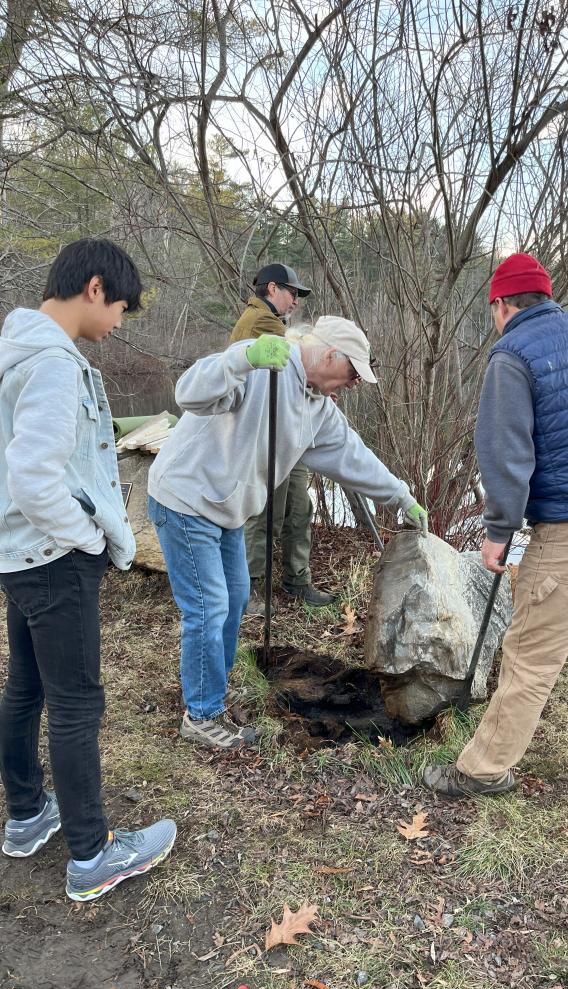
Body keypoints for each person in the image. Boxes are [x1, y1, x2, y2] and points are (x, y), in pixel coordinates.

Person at [423, 253, 568, 805]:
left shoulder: (512, 355)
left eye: (493, 309)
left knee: (532, 651)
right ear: (547, 297)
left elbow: (506, 454)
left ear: (501, 305)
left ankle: (483, 769)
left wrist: (498, 532)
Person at [147, 315, 428, 750]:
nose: (354, 384)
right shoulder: (263, 370)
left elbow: (353, 456)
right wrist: (243, 357)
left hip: (227, 510)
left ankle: (212, 695)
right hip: (186, 497)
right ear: (330, 353)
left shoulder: (317, 407)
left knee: (236, 597)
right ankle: (200, 715)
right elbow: (189, 392)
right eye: (353, 372)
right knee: (207, 607)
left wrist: (400, 497)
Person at [0, 238, 176, 901]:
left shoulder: (13, 351)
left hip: (18, 554)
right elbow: (32, 476)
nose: (120, 324)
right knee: (77, 704)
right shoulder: (50, 364)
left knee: (26, 689)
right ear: (96, 289)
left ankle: (25, 816)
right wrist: (87, 540)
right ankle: (92, 854)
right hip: (52, 557)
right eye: (123, 309)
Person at [230, 263, 334, 614]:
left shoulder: (273, 321)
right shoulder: (261, 322)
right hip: (266, 433)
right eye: (292, 293)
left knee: (299, 508)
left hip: (288, 428)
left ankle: (297, 579)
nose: (295, 301)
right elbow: (297, 358)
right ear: (271, 289)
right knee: (264, 513)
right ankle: (252, 589)